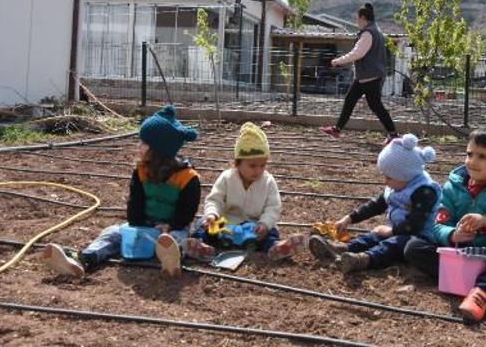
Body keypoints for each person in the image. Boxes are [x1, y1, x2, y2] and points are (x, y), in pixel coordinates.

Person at [42, 105, 207, 278]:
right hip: (145, 225)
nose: (139, 146)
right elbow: (135, 202)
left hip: (173, 226)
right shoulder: (141, 171)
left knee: (175, 238)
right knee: (113, 232)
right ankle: (84, 259)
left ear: (159, 149)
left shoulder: (188, 178)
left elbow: (187, 211)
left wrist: (170, 225)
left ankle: (172, 260)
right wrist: (139, 223)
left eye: (144, 143)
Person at [403, 125, 486, 323]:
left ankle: (482, 291)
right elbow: (438, 225)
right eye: (469, 154)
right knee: (414, 247)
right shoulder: (454, 185)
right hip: (459, 252)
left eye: (483, 157)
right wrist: (452, 234)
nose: (472, 161)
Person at [308, 133, 440, 274]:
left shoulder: (425, 191)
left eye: (389, 177)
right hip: (399, 230)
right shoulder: (398, 184)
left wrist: (390, 231)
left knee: (392, 244)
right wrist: (350, 218)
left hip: (419, 238)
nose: (385, 181)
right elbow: (376, 205)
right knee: (372, 236)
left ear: (406, 176)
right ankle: (344, 248)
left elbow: (414, 224)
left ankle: (364, 259)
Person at [191, 122, 306, 261]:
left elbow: (273, 207)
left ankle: (275, 248)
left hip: (254, 228)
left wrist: (264, 224)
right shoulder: (227, 177)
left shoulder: (268, 181)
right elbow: (215, 199)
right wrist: (212, 215)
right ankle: (200, 246)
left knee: (271, 231)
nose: (258, 170)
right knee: (203, 224)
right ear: (238, 162)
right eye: (252, 166)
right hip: (227, 225)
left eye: (262, 165)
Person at [319, 2, 398, 144]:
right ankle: (337, 129)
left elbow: (358, 53)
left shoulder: (368, 33)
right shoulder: (376, 31)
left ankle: (393, 134)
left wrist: (338, 61)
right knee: (351, 100)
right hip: (366, 76)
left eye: (357, 18)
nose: (356, 21)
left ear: (363, 17)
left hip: (370, 76)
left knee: (375, 105)